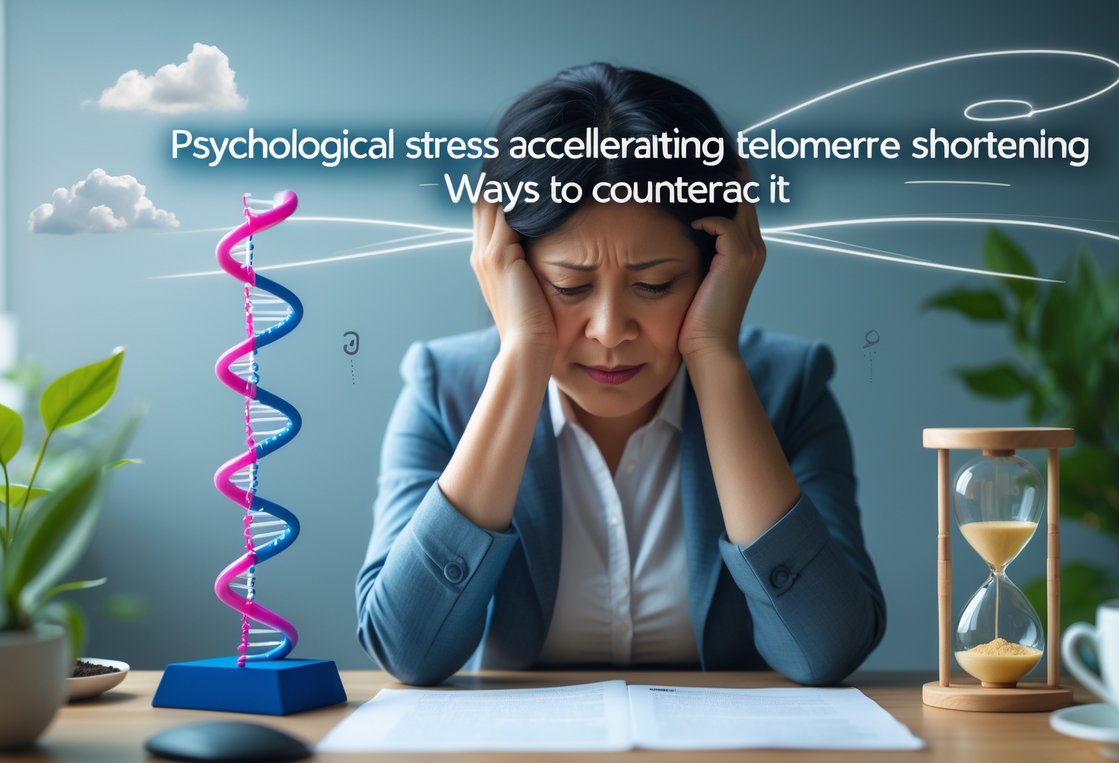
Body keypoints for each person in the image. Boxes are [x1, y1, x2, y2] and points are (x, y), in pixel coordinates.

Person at [356, 62, 885, 686]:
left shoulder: (790, 388)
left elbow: (825, 650)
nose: (610, 330)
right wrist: (524, 353)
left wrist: (714, 357)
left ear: (720, 266)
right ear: (508, 268)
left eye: (654, 284)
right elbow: (407, 651)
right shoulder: (442, 389)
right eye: (568, 286)